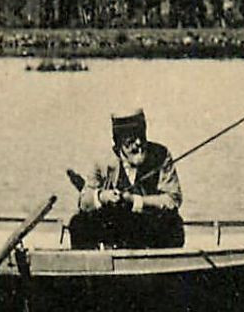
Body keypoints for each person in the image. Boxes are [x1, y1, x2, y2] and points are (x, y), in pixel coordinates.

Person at [68, 107, 185, 250]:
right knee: (78, 223)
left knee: (172, 224)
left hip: (150, 227)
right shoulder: (102, 161)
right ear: (118, 142)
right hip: (117, 228)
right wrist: (102, 196)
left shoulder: (161, 155)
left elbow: (173, 199)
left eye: (141, 136)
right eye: (130, 139)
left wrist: (136, 201)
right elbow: (84, 201)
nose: (138, 143)